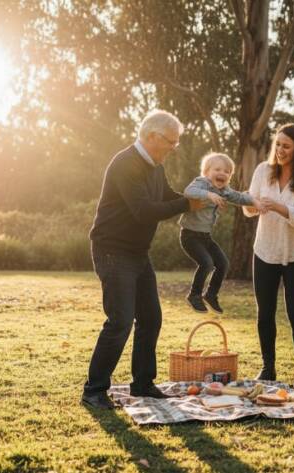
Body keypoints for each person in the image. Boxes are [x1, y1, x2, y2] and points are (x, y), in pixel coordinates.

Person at [82, 110, 205, 409]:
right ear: (152, 136)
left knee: (151, 318)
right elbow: (145, 210)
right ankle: (94, 391)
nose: (173, 149)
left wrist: (201, 199)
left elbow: (167, 197)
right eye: (171, 143)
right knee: (120, 320)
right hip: (113, 250)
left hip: (137, 252)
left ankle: (143, 384)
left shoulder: (155, 167)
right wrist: (187, 203)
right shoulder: (126, 164)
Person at [244, 123, 294, 388]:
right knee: (265, 313)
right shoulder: (263, 171)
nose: (280, 150)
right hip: (265, 249)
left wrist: (276, 206)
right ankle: (268, 368)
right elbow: (249, 206)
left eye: (286, 146)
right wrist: (253, 207)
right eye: (277, 144)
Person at [179, 153, 262, 314]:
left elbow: (238, 197)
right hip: (189, 236)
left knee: (223, 264)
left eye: (227, 171)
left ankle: (211, 294)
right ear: (206, 172)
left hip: (205, 237)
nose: (222, 173)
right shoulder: (201, 183)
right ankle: (194, 295)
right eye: (217, 169)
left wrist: (255, 201)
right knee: (207, 263)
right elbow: (189, 191)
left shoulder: (224, 190)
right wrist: (209, 194)